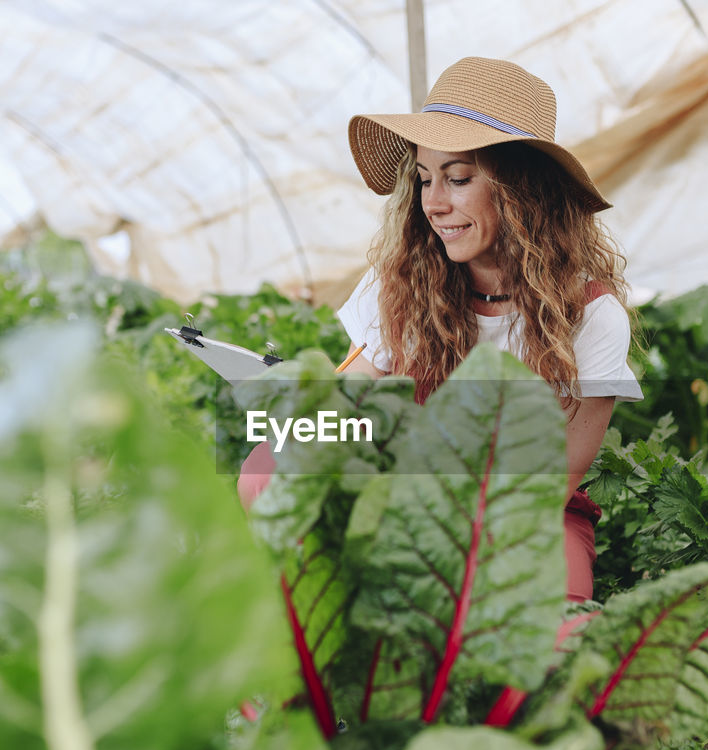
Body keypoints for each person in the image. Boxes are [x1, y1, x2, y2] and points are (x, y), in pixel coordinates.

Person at [240, 56, 641, 603]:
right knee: (267, 465)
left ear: (523, 190)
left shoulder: (591, 314)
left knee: (552, 632)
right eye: (425, 179)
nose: (434, 203)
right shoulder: (399, 285)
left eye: (458, 178)